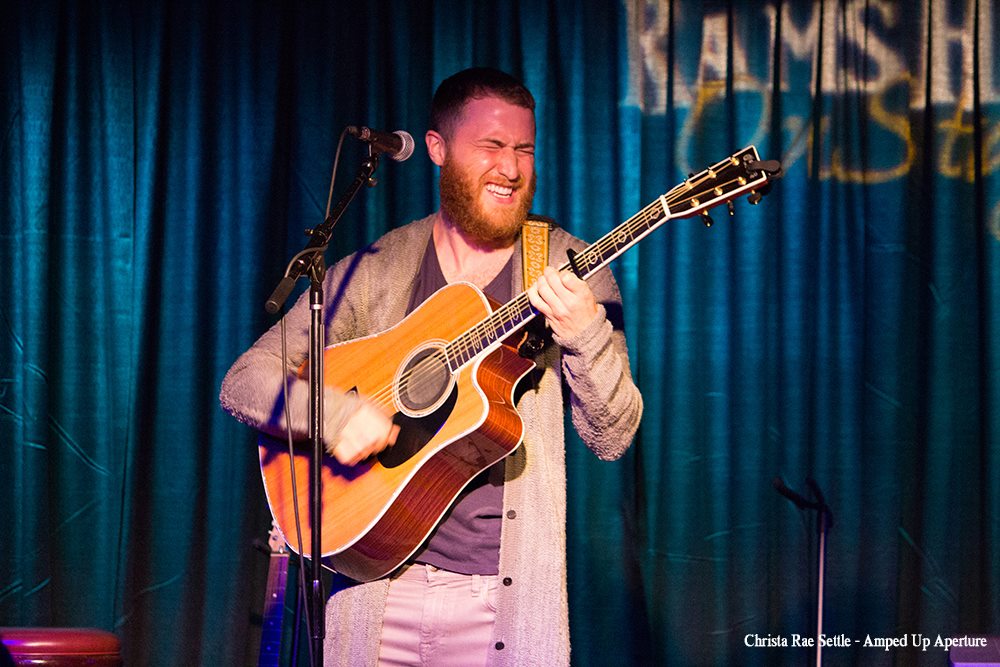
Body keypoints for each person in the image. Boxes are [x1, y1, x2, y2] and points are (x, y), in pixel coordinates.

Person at [220, 67, 642, 666]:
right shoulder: (376, 268)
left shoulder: (570, 267)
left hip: (502, 606)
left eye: (523, 149)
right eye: (491, 147)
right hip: (373, 591)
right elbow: (244, 381)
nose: (512, 169)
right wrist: (335, 413)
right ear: (438, 150)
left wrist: (585, 334)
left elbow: (612, 434)